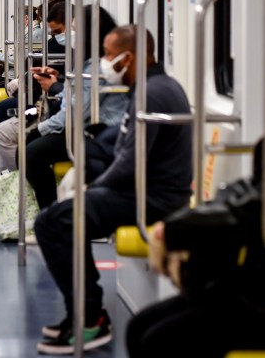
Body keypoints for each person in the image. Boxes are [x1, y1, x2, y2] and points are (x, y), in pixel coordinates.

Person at [34, 25, 193, 354]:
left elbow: (130, 162)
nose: (105, 62)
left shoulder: (152, 93)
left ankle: (91, 319)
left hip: (153, 197)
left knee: (54, 223)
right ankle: (85, 314)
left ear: (128, 57)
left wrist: (92, 187)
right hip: (143, 188)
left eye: (108, 55)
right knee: (60, 219)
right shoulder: (149, 87)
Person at [126, 139, 265, 357]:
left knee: (159, 341)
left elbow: (260, 208)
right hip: (258, 290)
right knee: (139, 328)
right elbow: (245, 190)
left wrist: (174, 232)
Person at [23, 5, 127, 208]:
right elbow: (76, 99)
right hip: (86, 125)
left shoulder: (97, 66)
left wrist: (42, 128)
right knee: (28, 145)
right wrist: (59, 79)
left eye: (75, 31)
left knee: (31, 152)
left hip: (98, 132)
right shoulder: (89, 63)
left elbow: (77, 112)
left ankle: (51, 213)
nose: (71, 37)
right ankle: (46, 212)